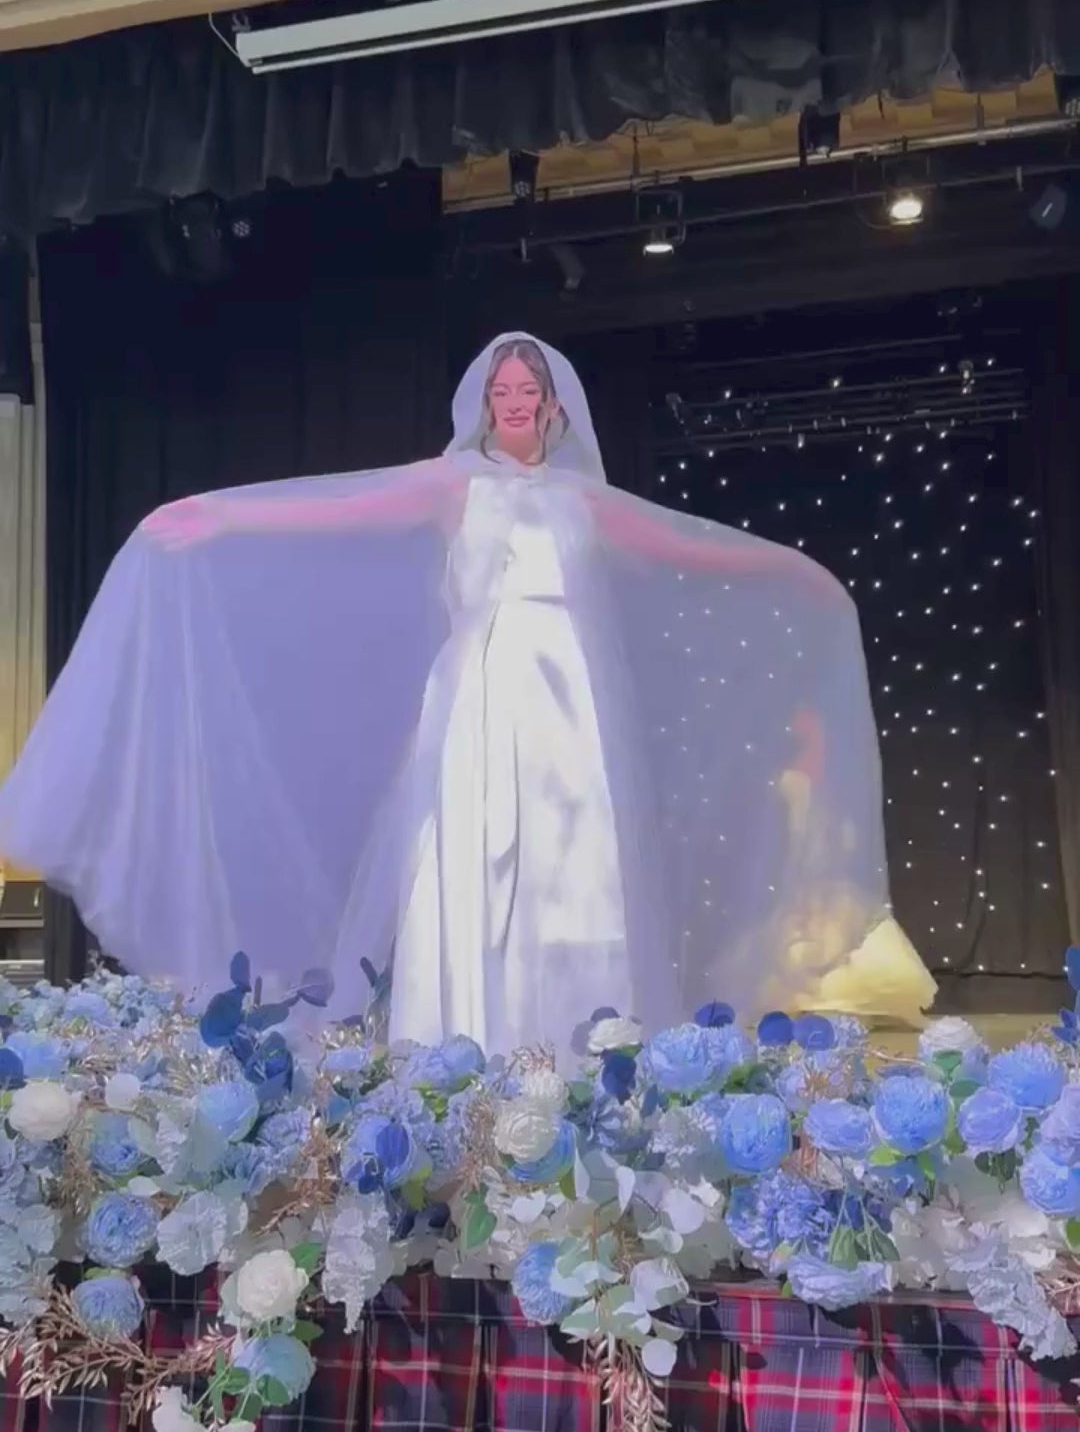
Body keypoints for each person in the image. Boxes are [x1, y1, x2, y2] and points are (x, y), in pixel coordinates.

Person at [0, 333, 933, 1058]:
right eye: (503, 392)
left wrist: (799, 574)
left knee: (574, 866)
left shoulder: (585, 502)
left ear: (553, 406)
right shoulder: (453, 485)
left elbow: (688, 546)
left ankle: (581, 1047)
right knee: (471, 857)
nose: (516, 404)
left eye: (529, 392)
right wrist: (212, 516)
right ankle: (459, 1051)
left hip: (570, 705)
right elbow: (334, 508)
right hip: (484, 692)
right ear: (485, 405)